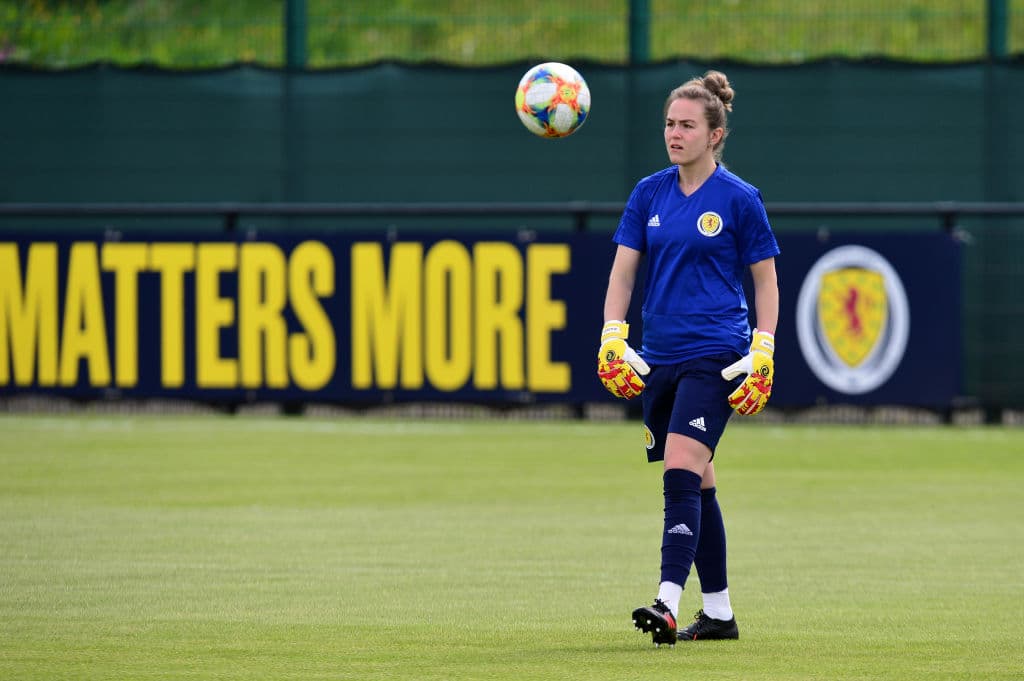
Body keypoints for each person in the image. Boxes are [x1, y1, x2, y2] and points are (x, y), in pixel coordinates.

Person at [596, 70, 780, 646]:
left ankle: (667, 601)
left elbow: (766, 281)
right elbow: (624, 270)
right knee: (699, 482)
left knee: (679, 465)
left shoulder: (740, 198)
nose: (674, 134)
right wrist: (611, 335)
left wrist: (764, 347)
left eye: (687, 125)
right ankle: (720, 614)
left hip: (717, 355)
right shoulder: (648, 192)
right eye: (669, 124)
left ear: (715, 133)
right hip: (660, 358)